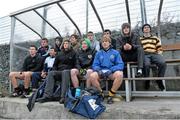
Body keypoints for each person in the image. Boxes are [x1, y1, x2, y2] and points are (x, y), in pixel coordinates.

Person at [37, 39, 76, 104]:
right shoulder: (59, 54)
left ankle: (63, 97)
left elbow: (76, 63)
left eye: (67, 43)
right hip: (59, 71)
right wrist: (54, 70)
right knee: (51, 73)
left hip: (69, 71)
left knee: (65, 72)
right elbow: (55, 65)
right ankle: (47, 96)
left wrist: (77, 70)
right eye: (64, 43)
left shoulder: (74, 53)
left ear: (70, 45)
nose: (65, 44)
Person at [89, 36, 124, 104]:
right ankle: (101, 93)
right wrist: (99, 70)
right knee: (92, 76)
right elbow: (95, 65)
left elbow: (120, 64)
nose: (104, 43)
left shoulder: (115, 52)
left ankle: (111, 95)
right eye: (103, 41)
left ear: (110, 43)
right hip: (101, 72)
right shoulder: (98, 53)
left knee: (120, 74)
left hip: (111, 72)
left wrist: (111, 70)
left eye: (106, 41)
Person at [140, 24, 167, 91]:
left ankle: (159, 79)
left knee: (163, 63)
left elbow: (159, 48)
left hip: (154, 54)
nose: (146, 28)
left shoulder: (155, 38)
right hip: (145, 54)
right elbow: (139, 49)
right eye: (145, 28)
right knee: (146, 64)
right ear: (143, 30)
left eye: (148, 27)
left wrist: (159, 54)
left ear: (150, 29)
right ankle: (147, 80)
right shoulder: (140, 39)